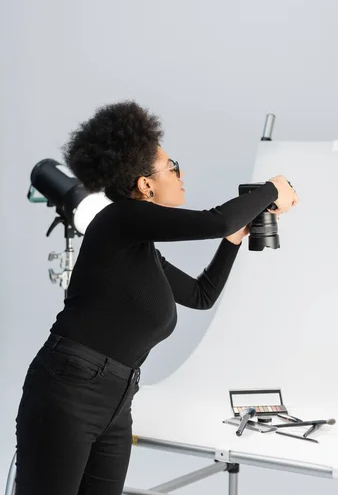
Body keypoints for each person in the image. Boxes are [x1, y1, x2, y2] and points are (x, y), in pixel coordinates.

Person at [15, 101, 298, 495]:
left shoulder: (139, 246)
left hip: (116, 400)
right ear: (145, 185)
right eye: (172, 167)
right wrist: (273, 188)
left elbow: (202, 295)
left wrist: (234, 240)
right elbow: (216, 219)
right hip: (69, 391)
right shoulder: (117, 219)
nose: (181, 175)